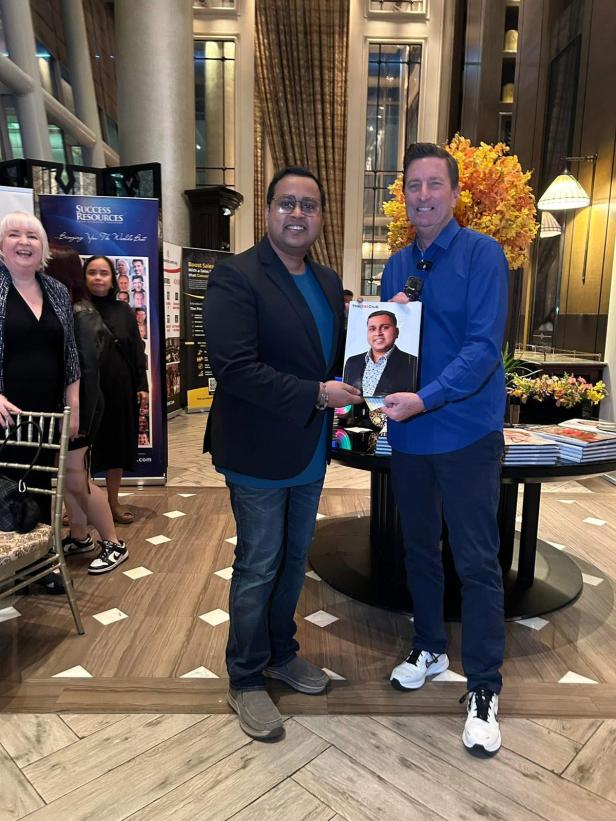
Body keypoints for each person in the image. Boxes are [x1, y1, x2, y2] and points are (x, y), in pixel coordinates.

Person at [204, 166, 362, 741]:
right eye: (287, 203)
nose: (298, 214)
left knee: (295, 561)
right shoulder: (236, 276)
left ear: (320, 217)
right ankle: (245, 677)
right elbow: (235, 368)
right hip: (257, 450)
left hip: (309, 446)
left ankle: (280, 652)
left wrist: (388, 323)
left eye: (309, 205)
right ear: (267, 210)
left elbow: (337, 357)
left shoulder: (326, 280)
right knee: (258, 565)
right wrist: (317, 394)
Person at [380, 143, 509, 757]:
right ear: (404, 196)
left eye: (435, 184)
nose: (424, 195)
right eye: (414, 185)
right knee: (418, 549)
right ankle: (430, 647)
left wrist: (425, 398)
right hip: (411, 437)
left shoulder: (484, 255)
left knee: (477, 562)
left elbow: (483, 350)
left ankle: (484, 686)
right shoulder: (396, 266)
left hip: (466, 434)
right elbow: (382, 349)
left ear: (455, 194)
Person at [0, 212, 80, 591]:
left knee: (42, 484)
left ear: (43, 247)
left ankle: (41, 563)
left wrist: (72, 406)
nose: (24, 242)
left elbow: (70, 354)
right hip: (5, 412)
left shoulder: (57, 290)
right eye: (13, 234)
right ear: (1, 246)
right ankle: (10, 565)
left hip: (47, 412)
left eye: (32, 236)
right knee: (8, 486)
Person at [46, 247, 128, 574]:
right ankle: (79, 536)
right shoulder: (69, 309)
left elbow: (89, 373)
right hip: (70, 409)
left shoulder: (81, 313)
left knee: (77, 478)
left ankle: (113, 542)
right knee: (69, 477)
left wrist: (80, 416)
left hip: (79, 409)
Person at [84, 255, 148, 527]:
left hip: (120, 388)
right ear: (84, 277)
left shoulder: (124, 311)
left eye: (104, 273)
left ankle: (113, 502)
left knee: (116, 445)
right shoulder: (76, 308)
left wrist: (142, 385)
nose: (98, 278)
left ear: (112, 279)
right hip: (85, 390)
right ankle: (80, 504)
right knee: (82, 450)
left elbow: (137, 349)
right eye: (92, 272)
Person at [343, 310, 417, 396]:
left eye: (385, 327)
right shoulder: (352, 362)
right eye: (372, 329)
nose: (378, 333)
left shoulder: (413, 362)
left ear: (397, 332)